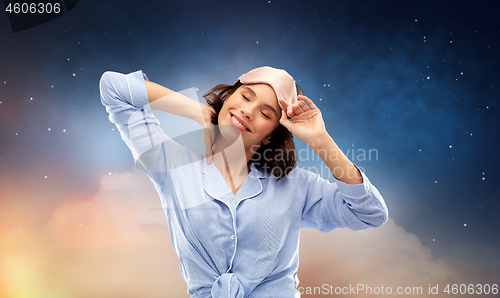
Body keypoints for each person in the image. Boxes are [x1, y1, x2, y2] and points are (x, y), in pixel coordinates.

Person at [99, 66, 388, 298]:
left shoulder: (296, 185)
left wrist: (320, 139)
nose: (249, 111)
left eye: (265, 113)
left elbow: (369, 213)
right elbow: (114, 88)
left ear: (271, 135)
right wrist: (197, 111)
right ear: (228, 97)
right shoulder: (172, 164)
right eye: (246, 97)